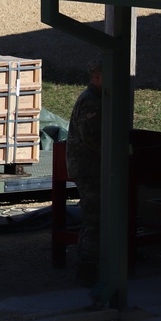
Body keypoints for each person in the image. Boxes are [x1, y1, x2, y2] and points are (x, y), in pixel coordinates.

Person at [65, 59, 103, 286]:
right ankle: (88, 267)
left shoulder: (95, 99)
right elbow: (93, 139)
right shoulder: (91, 102)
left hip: (90, 166)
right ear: (97, 77)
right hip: (89, 167)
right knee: (94, 218)